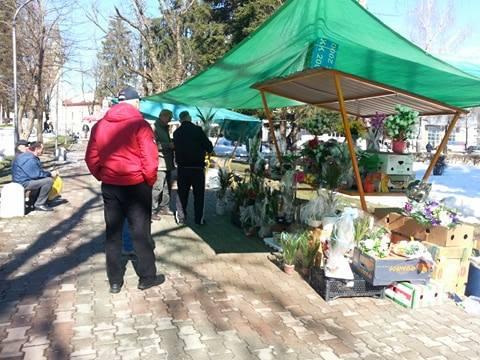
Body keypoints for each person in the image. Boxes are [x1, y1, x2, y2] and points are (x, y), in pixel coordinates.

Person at [85, 86, 163, 294]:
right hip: (136, 185)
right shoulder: (140, 125)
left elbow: (91, 158)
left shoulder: (100, 126)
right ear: (135, 102)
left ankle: (115, 281)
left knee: (113, 234)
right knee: (140, 232)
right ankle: (147, 277)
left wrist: (103, 175)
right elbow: (150, 159)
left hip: (111, 185)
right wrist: (149, 180)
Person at [173, 111, 213, 225]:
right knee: (199, 195)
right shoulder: (198, 130)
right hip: (197, 168)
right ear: (189, 118)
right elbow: (209, 147)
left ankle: (181, 218)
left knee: (182, 194)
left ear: (181, 120)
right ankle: (198, 219)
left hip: (182, 168)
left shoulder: (177, 133)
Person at [12, 142, 58, 211]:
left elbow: (35, 172)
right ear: (37, 149)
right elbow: (36, 175)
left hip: (23, 180)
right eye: (42, 149)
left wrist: (47, 173)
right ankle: (39, 204)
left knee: (42, 180)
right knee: (48, 181)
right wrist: (50, 174)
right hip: (23, 182)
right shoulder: (29, 158)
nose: (43, 151)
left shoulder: (28, 156)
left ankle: (33, 201)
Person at [152, 109, 175, 221]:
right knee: (157, 188)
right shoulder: (155, 127)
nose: (170, 120)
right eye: (169, 118)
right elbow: (153, 145)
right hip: (160, 163)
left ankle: (164, 207)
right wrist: (168, 145)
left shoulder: (164, 128)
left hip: (167, 163)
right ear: (163, 116)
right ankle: (151, 210)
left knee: (166, 187)